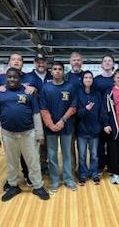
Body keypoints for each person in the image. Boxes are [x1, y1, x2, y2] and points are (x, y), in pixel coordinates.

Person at [0, 67, 49, 202]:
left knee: (33, 161)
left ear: (19, 78)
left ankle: (38, 186)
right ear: (6, 77)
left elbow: (36, 114)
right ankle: (13, 186)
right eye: (10, 77)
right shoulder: (0, 94)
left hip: (28, 133)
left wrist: (40, 135)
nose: (12, 79)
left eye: (15, 77)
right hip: (8, 134)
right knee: (11, 162)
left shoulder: (28, 92)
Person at [40, 62, 77, 192]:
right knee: (52, 155)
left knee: (67, 155)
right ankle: (55, 180)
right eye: (54, 69)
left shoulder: (70, 87)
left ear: (63, 71)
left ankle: (68, 179)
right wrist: (51, 125)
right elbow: (43, 109)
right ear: (51, 72)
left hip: (66, 127)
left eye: (60, 69)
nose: (57, 71)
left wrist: (62, 120)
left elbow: (73, 107)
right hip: (51, 129)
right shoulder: (45, 88)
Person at [28, 54, 53, 175]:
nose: (41, 64)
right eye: (38, 62)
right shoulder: (27, 77)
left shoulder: (52, 75)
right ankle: (32, 166)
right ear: (34, 63)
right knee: (34, 142)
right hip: (33, 115)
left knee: (46, 142)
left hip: (50, 114)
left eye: (43, 62)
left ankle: (44, 164)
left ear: (46, 63)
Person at [77, 71, 102, 185]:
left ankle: (94, 173)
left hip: (94, 130)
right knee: (82, 155)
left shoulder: (97, 94)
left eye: (90, 77)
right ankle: (82, 174)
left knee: (94, 155)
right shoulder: (77, 93)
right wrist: (85, 109)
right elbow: (76, 113)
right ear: (82, 80)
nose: (88, 79)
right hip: (81, 130)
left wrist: (99, 125)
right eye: (86, 77)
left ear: (93, 80)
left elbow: (101, 111)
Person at [93, 54, 115, 175]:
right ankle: (101, 165)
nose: (107, 63)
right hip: (99, 117)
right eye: (105, 61)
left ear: (113, 64)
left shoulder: (116, 79)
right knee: (100, 144)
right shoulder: (96, 80)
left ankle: (112, 166)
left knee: (113, 144)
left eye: (109, 61)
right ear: (101, 64)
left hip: (114, 118)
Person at [65, 52, 85, 170]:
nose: (76, 62)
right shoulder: (65, 77)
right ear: (70, 62)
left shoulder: (87, 76)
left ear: (81, 62)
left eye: (78, 60)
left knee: (84, 143)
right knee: (70, 144)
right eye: (74, 60)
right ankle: (72, 169)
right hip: (70, 115)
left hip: (85, 114)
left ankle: (83, 168)